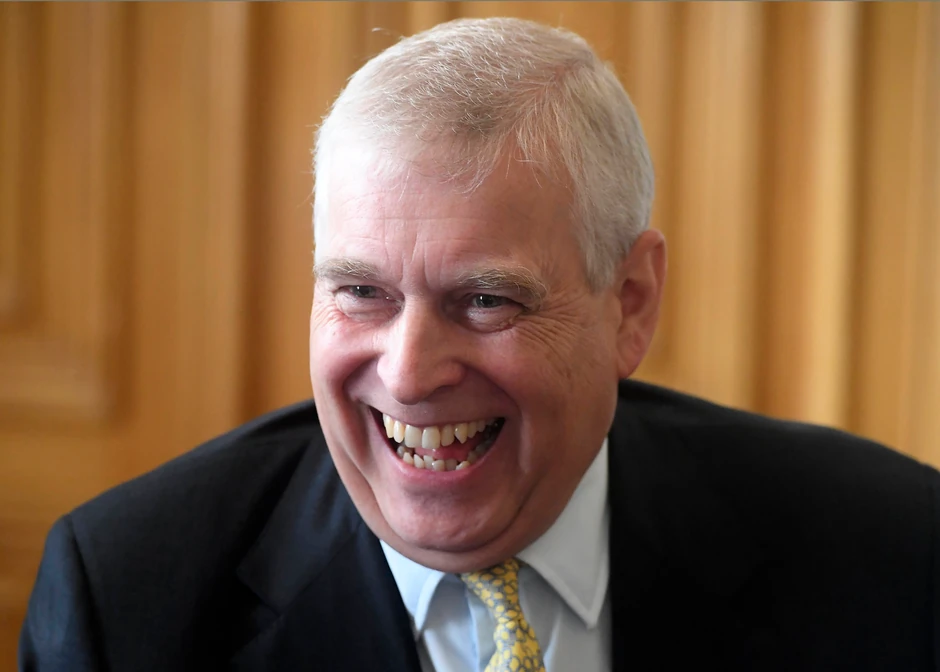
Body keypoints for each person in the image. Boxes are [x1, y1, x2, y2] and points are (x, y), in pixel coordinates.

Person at [19, 17, 940, 672]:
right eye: (361, 293)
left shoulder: (891, 552)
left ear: (629, 305)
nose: (409, 374)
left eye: (486, 300)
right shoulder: (130, 602)